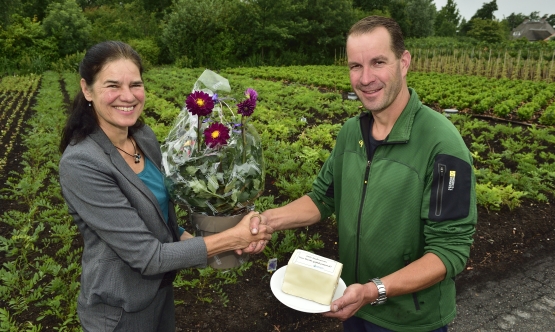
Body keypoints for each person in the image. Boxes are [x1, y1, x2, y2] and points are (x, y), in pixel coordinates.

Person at [250, 16, 477, 331]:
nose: (365, 78)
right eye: (356, 66)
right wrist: (266, 221)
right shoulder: (351, 133)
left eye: (378, 62)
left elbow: (449, 252)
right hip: (353, 306)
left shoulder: (442, 145)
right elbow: (322, 198)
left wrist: (374, 290)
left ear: (404, 62)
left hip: (409, 319)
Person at [58, 41, 270, 331]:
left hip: (160, 294)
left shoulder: (142, 137)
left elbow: (164, 224)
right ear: (87, 89)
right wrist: (233, 238)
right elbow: (148, 257)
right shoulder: (82, 163)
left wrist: (222, 245)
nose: (127, 96)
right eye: (112, 85)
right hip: (121, 311)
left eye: (135, 84)